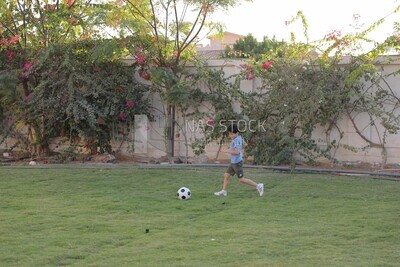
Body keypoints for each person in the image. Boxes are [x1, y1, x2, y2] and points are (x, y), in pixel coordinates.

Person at [214, 124, 264, 197]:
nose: (230, 135)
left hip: (237, 163)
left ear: (237, 132)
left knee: (241, 179)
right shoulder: (239, 138)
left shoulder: (237, 140)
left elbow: (236, 152)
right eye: (229, 134)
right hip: (233, 162)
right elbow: (245, 145)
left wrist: (226, 150)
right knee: (226, 175)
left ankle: (258, 186)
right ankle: (224, 191)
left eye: (232, 134)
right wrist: (241, 145)